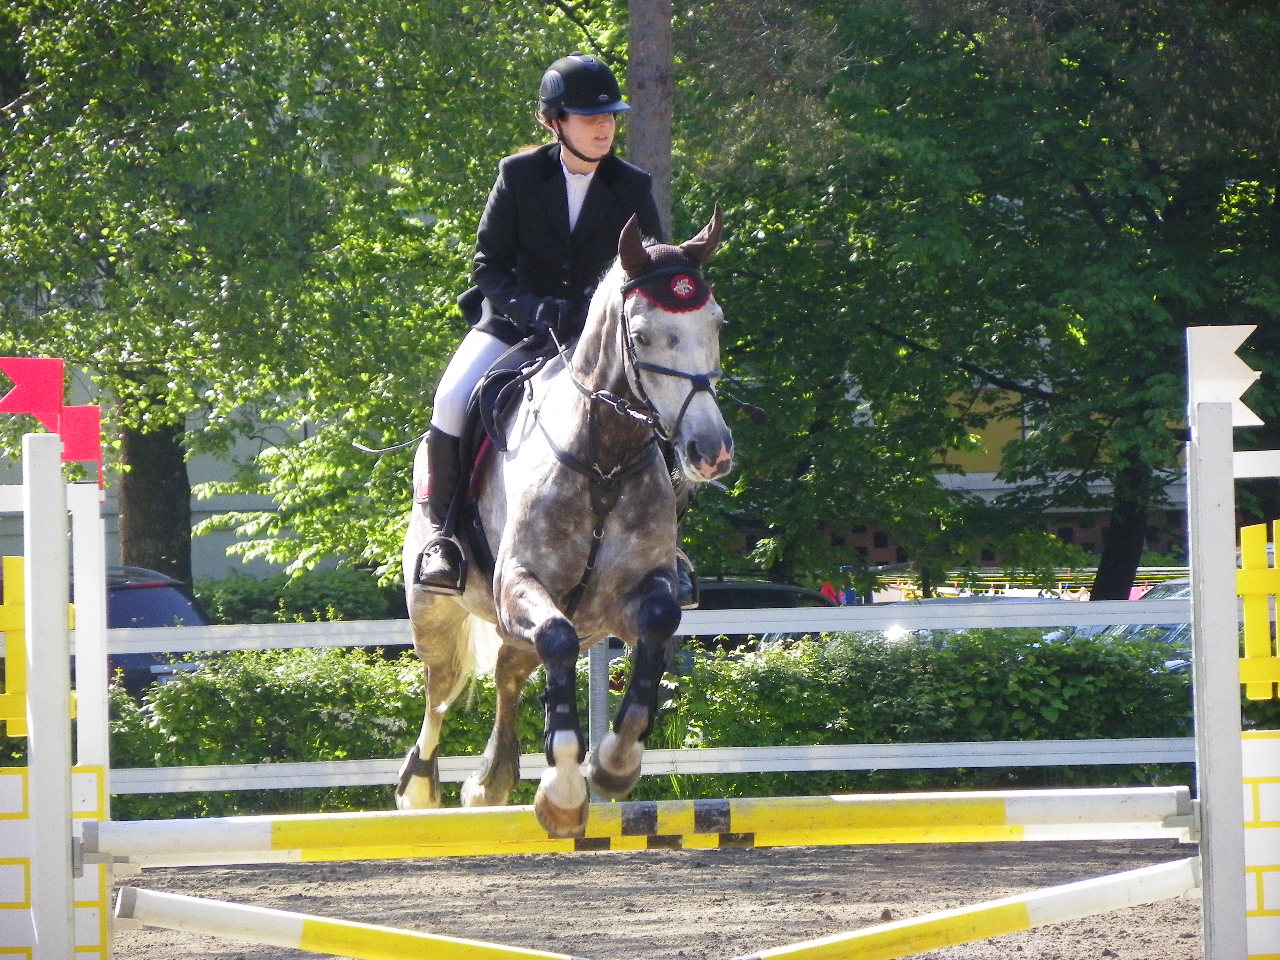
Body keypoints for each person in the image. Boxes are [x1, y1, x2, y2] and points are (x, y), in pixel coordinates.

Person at [416, 52, 697, 602]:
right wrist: (533, 308)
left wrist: (596, 312)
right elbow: (489, 266)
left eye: (610, 116)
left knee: (664, 406)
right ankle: (443, 537)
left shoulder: (631, 186)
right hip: (515, 325)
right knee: (450, 400)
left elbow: (649, 270)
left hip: (595, 338)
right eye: (590, 117)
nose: (604, 127)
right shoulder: (519, 176)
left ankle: (671, 548)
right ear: (554, 122)